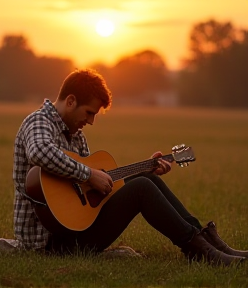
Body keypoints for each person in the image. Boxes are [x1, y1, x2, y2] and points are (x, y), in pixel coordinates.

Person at [13, 68, 247, 266]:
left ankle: (208, 243)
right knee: (142, 188)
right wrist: (89, 173)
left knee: (148, 180)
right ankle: (198, 251)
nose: (91, 121)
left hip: (76, 230)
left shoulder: (76, 135)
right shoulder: (38, 121)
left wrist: (145, 168)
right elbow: (40, 152)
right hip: (49, 243)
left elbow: (90, 195)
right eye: (89, 112)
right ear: (71, 100)